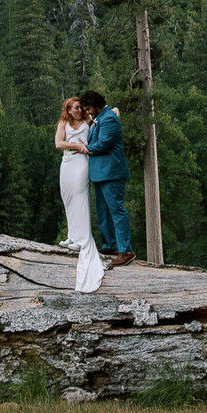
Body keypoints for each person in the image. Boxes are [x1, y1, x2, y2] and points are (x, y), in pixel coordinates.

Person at [54, 97, 105, 293]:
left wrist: (115, 110)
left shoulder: (87, 121)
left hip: (81, 164)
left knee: (80, 198)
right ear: (68, 109)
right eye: (74, 108)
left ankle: (83, 239)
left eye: (79, 108)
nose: (78, 110)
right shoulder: (63, 123)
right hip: (67, 164)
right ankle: (72, 236)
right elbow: (59, 144)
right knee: (67, 198)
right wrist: (75, 145)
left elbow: (104, 119)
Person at [79, 90, 134, 267]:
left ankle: (126, 251)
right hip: (100, 173)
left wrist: (85, 148)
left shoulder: (109, 119)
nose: (88, 112)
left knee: (116, 211)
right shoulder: (100, 118)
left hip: (112, 173)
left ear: (96, 105)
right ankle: (109, 245)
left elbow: (103, 144)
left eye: (88, 108)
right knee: (102, 212)